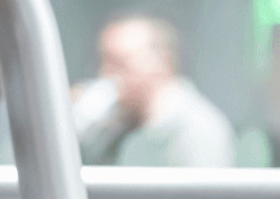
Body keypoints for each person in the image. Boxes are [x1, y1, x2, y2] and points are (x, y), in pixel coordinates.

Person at [74, 15, 235, 168]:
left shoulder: (200, 130)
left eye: (119, 64)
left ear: (161, 62)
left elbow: (205, 194)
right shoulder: (113, 122)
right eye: (104, 63)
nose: (108, 76)